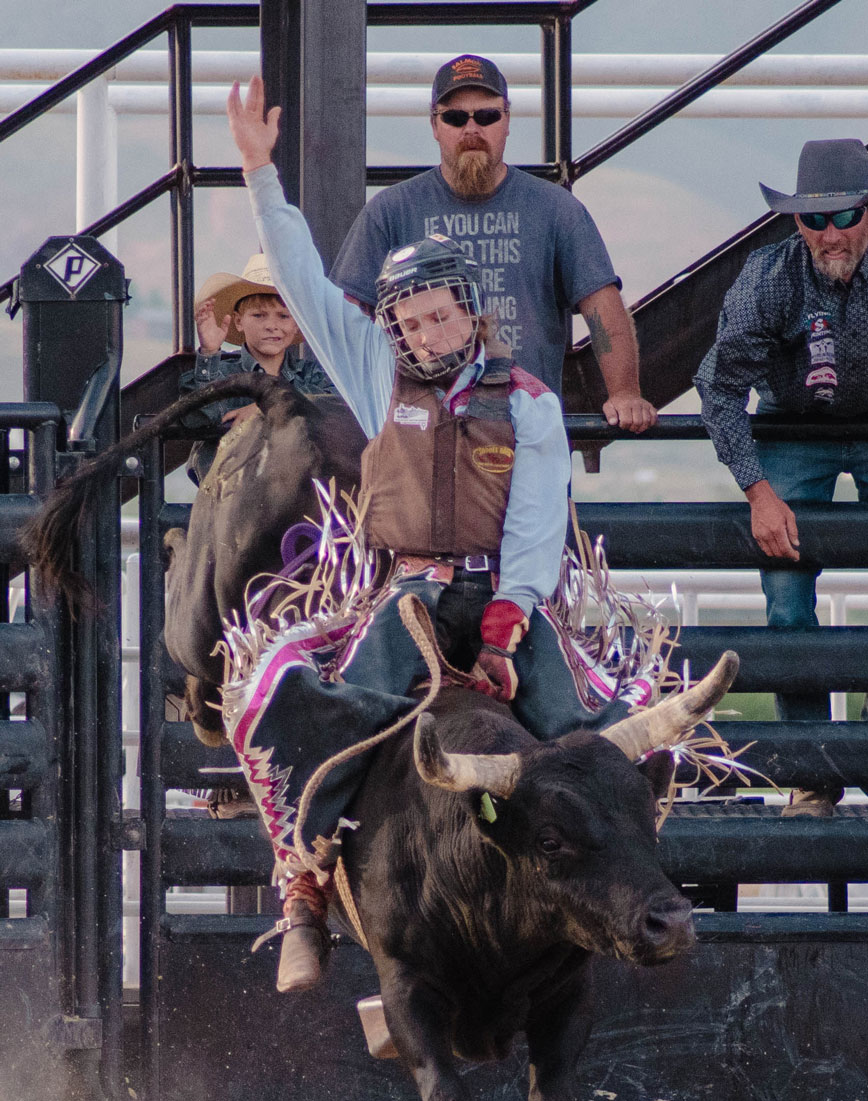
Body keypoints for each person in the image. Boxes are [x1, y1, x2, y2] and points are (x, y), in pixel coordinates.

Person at [224, 76, 661, 993]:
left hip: (507, 592)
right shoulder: (376, 370)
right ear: (396, 329)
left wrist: (509, 623)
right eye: (411, 321)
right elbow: (303, 282)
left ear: (470, 311)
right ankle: (304, 891)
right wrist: (261, 178)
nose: (427, 332)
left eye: (441, 314)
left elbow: (539, 522)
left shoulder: (531, 403)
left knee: (596, 733)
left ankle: (632, 891)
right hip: (412, 592)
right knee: (330, 720)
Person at [695, 138, 868, 818]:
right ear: (796, 224)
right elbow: (720, 390)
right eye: (815, 219)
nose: (830, 233)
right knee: (786, 598)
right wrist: (757, 490)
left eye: (844, 216)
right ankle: (812, 768)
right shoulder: (769, 280)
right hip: (790, 429)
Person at [329, 53, 656, 428]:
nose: (471, 129)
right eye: (455, 117)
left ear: (507, 121)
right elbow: (346, 318)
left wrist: (625, 393)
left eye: (486, 116)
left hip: (527, 425)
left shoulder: (557, 210)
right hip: (420, 431)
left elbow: (603, 309)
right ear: (435, 125)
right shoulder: (389, 211)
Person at [178, 254, 338, 483]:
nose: (272, 325)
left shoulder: (311, 376)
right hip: (231, 495)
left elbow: (334, 406)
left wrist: (269, 407)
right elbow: (197, 418)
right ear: (238, 321)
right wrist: (210, 352)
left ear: (296, 324)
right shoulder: (223, 374)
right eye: (259, 315)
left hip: (299, 491)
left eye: (283, 316)